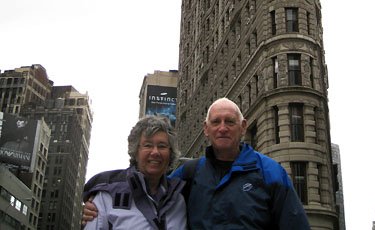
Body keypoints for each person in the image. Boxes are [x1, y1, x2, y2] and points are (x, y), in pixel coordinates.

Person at [83, 98, 310, 229]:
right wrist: (99, 194)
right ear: (206, 129)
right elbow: (148, 181)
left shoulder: (270, 172)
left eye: (230, 122)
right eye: (216, 122)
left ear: (243, 126)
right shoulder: (188, 175)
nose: (222, 127)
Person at [82, 115, 187, 229]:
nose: (155, 152)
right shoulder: (106, 196)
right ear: (136, 151)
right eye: (148, 145)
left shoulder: (179, 199)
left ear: (170, 153)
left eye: (162, 146)